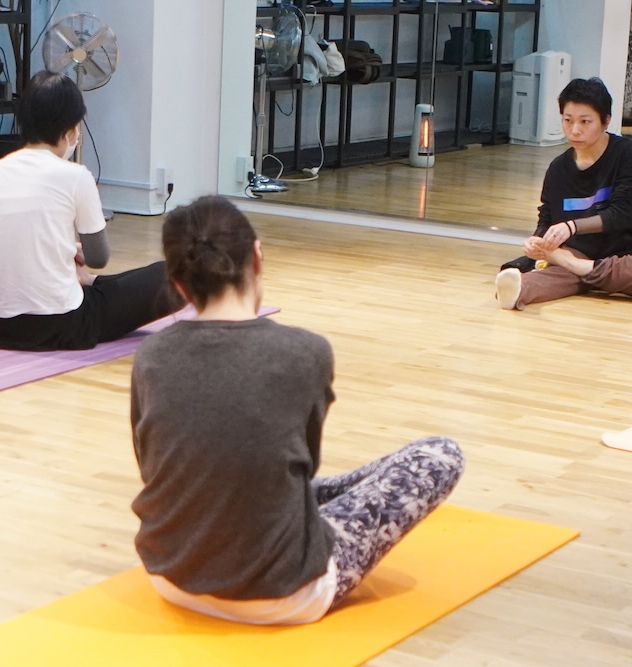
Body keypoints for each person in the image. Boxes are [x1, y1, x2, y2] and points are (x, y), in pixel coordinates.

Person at [130, 195, 464, 625]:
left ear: (178, 285)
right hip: (283, 593)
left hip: (170, 575)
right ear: (257, 256)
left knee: (260, 478)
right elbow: (305, 463)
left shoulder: (151, 355)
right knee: (439, 455)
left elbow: (152, 464)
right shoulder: (304, 351)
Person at [0, 70, 181, 350]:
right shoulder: (75, 176)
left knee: (97, 282)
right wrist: (76, 255)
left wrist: (66, 251)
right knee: (172, 273)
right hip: (60, 323)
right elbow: (99, 257)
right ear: (70, 131)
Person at [495, 78, 632, 311]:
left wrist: (572, 228)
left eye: (585, 121)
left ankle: (580, 269)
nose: (575, 130)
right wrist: (538, 240)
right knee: (558, 267)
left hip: (630, 253)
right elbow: (547, 216)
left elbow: (623, 214)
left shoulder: (626, 154)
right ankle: (521, 290)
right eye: (568, 120)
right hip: (579, 251)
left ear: (606, 121)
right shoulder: (558, 168)